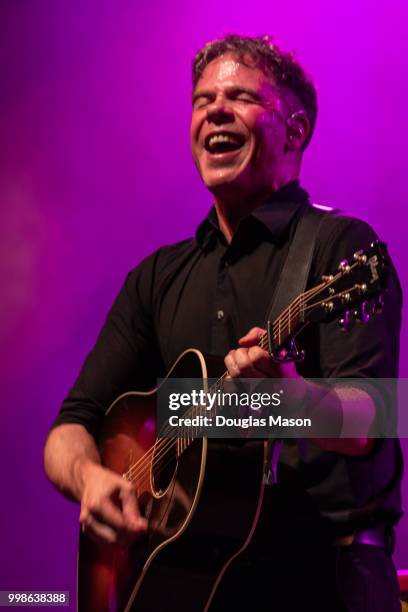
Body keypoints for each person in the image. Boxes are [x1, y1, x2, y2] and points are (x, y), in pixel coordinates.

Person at [44, 35, 403, 611]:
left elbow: (374, 417)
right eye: (202, 98)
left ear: (295, 130)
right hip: (183, 580)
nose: (215, 109)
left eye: (240, 96)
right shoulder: (158, 276)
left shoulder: (342, 249)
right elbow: (69, 428)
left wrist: (287, 397)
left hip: (322, 582)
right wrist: (90, 479)